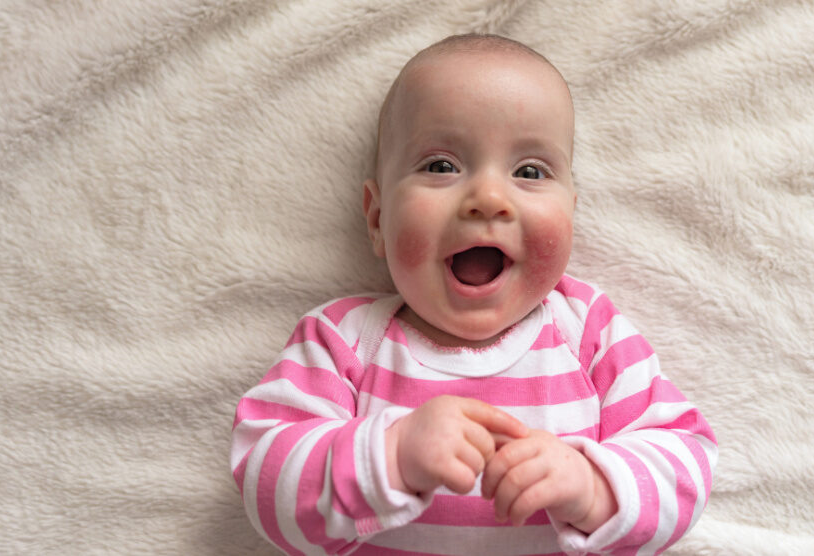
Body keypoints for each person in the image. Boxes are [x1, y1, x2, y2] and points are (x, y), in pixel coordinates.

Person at [230, 33, 717, 555]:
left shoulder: (588, 332)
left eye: (529, 172)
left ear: (571, 214)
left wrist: (594, 485)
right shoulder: (344, 341)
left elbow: (685, 460)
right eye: (441, 166)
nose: (488, 198)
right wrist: (388, 456)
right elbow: (264, 474)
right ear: (377, 218)